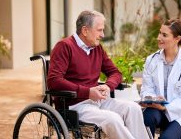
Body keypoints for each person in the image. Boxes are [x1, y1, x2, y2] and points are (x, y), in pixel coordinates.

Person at [48, 10, 149, 139]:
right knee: (113, 119)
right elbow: (54, 81)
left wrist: (108, 86)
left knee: (133, 108)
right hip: (75, 106)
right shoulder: (64, 47)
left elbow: (115, 73)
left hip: (98, 101)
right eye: (99, 30)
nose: (102, 35)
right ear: (85, 30)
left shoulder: (97, 48)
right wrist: (87, 92)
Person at [140, 19, 181, 139]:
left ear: (177, 39)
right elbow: (146, 88)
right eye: (159, 33)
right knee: (146, 119)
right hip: (157, 110)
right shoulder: (151, 60)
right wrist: (152, 99)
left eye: (164, 35)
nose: (158, 37)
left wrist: (165, 107)